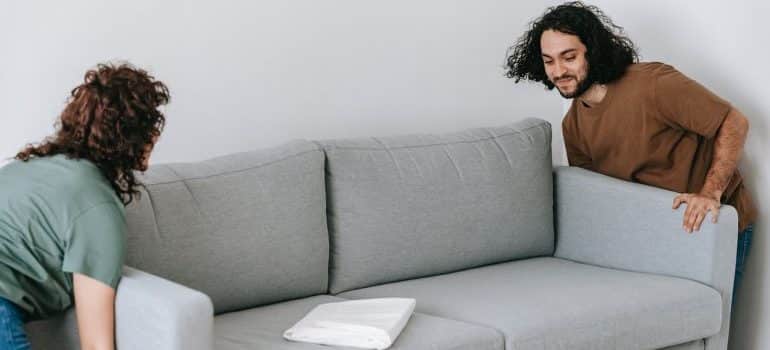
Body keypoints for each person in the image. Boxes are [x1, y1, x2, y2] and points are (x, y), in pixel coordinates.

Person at [505, 1, 756, 301]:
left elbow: (733, 121)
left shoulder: (652, 84)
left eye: (568, 57)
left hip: (714, 226)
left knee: (709, 329)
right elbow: (595, 199)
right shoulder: (572, 124)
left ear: (592, 50)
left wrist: (710, 193)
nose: (558, 71)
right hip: (654, 239)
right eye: (549, 61)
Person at [0, 63, 169, 349]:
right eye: (151, 127)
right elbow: (96, 345)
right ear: (134, 139)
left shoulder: (23, 169)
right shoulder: (97, 206)